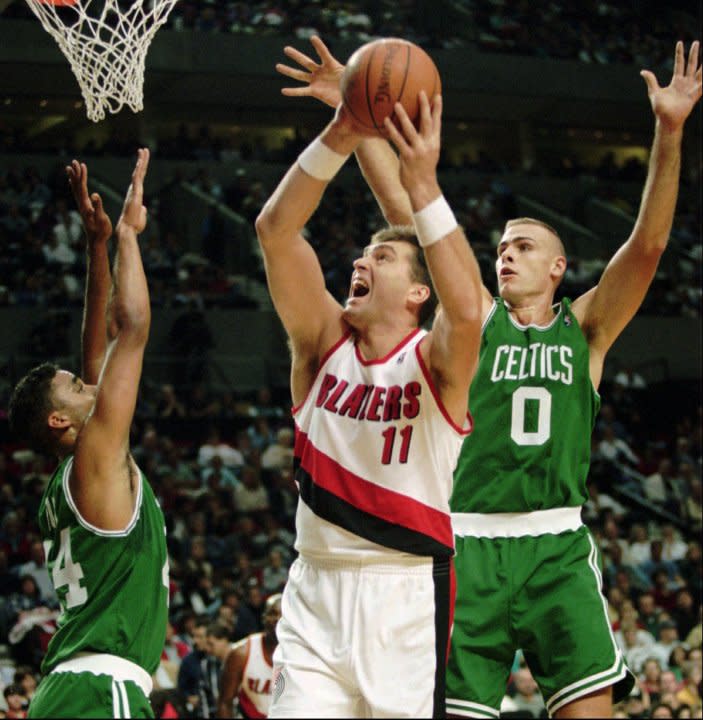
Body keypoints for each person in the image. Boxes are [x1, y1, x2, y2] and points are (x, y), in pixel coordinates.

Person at [276, 35, 702, 719]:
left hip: (556, 544)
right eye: (500, 247)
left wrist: (669, 131)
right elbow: (403, 223)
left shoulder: (584, 329)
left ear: (557, 269)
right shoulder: (465, 324)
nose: (505, 255)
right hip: (463, 544)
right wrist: (355, 120)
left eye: (523, 247)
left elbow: (647, 245)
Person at [258, 51, 483, 717]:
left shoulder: (438, 363)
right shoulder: (321, 343)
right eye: (361, 253)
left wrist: (424, 188)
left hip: (404, 592)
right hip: (315, 594)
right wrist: (343, 127)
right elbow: (275, 231)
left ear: (417, 291)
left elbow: (468, 307)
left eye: (380, 256)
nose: (359, 259)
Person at [7, 149, 169, 718]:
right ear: (61, 422)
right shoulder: (94, 459)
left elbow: (96, 343)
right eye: (77, 386)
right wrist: (127, 235)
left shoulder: (76, 474)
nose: (88, 382)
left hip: (69, 690)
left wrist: (95, 245)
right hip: (103, 690)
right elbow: (132, 329)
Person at [217, 594, 282, 719]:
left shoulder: (303, 652)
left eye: (284, 614)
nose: (278, 619)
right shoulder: (241, 653)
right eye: (273, 613)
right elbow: (225, 702)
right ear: (263, 617)